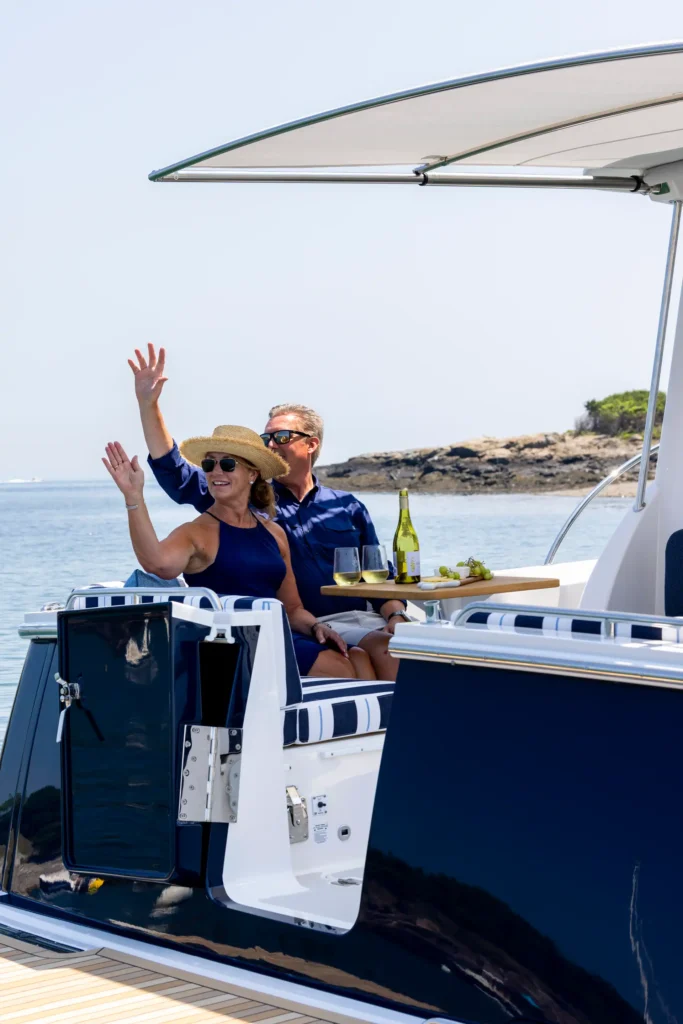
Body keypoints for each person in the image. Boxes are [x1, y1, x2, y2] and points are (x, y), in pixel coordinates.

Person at [130, 345, 409, 681]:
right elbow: (175, 471)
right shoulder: (244, 499)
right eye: (267, 438)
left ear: (311, 444)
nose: (272, 444)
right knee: (383, 654)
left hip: (359, 620)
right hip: (306, 624)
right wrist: (149, 405)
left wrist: (397, 615)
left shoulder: (347, 505)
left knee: (398, 649)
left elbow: (380, 575)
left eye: (282, 436)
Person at [102, 424, 375, 681]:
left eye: (228, 464)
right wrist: (134, 498)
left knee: (359, 658)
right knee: (337, 666)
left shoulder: (274, 533)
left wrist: (317, 627)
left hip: (276, 636)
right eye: (209, 464)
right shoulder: (196, 532)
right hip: (234, 643)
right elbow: (157, 563)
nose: (215, 472)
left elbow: (292, 609)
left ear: (252, 474)